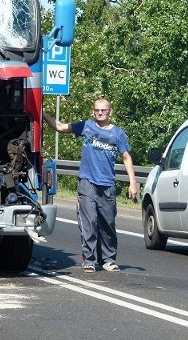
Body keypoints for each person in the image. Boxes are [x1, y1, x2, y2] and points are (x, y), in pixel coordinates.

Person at [43, 97, 138, 273]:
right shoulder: (86, 126)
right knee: (89, 223)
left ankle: (108, 259)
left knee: (107, 224)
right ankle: (89, 259)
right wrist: (42, 114)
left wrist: (133, 182)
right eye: (96, 110)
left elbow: (126, 157)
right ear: (93, 111)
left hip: (107, 185)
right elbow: (61, 127)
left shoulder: (118, 134)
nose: (99, 113)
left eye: (103, 110)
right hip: (87, 183)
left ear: (110, 112)